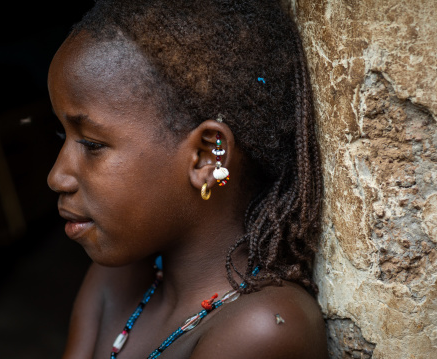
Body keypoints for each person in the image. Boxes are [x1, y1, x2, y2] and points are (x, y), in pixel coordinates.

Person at [47, 0, 328, 358]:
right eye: (63, 137)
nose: (57, 177)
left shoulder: (262, 329)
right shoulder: (116, 279)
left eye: (92, 144)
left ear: (208, 157)